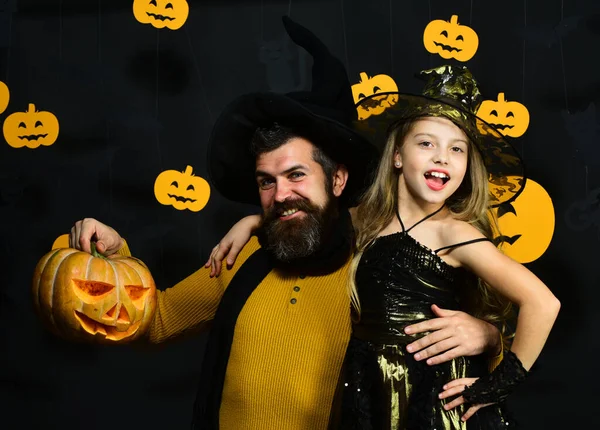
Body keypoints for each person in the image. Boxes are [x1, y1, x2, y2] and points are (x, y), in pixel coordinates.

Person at [67, 18, 504, 430]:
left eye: (296, 176)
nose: (280, 195)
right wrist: (113, 260)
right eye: (266, 182)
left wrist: (488, 336)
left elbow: (442, 339)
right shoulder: (242, 258)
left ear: (337, 179)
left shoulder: (375, 263)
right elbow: (156, 321)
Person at [208, 66, 560, 429]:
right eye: (426, 143)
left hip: (429, 394)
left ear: (466, 165)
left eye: (457, 149)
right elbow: (310, 217)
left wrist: (495, 386)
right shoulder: (367, 220)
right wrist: (252, 222)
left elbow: (543, 303)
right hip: (373, 384)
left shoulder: (454, 233)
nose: (442, 157)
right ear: (397, 156)